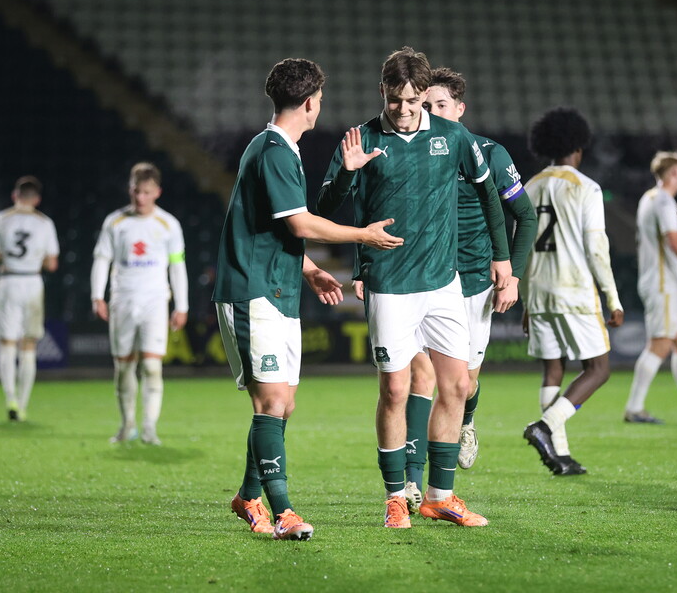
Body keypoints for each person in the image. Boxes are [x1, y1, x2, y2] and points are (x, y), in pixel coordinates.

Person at [317, 47, 512, 528]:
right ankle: (393, 496)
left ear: (425, 95)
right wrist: (348, 172)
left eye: (414, 100)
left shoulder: (452, 135)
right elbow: (325, 207)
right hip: (390, 285)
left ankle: (439, 496)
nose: (404, 109)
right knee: (396, 390)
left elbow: (489, 194)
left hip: (443, 284)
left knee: (459, 385)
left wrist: (503, 256)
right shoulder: (360, 138)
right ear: (381, 91)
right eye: (396, 99)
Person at [214, 57, 404, 541]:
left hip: (277, 287)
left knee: (283, 405)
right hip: (252, 290)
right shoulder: (275, 150)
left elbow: (273, 228)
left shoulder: (278, 148)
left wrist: (313, 269)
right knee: (272, 401)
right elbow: (300, 224)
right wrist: (361, 234)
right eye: (320, 98)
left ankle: (247, 497)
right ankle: (284, 512)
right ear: (309, 102)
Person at [392, 67, 536, 511]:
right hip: (420, 279)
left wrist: (511, 273)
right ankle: (413, 483)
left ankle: (467, 420)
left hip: (473, 283)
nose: (430, 112)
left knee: (464, 383)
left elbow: (524, 216)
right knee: (420, 376)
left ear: (459, 109)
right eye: (425, 105)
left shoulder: (488, 154)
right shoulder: (415, 150)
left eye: (439, 105)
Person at [521, 107, 625, 476]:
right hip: (574, 290)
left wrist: (526, 301)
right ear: (579, 146)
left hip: (538, 291)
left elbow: (523, 245)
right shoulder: (585, 187)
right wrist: (612, 298)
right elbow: (597, 248)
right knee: (598, 369)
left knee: (554, 369)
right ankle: (546, 428)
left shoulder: (529, 187)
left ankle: (559, 456)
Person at [91, 163, 188, 446]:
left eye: (146, 192)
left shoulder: (168, 224)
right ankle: (127, 425)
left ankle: (148, 428)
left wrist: (181, 305)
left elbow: (177, 267)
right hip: (122, 300)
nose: (140, 198)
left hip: (155, 301)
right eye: (136, 191)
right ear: (129, 189)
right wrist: (97, 295)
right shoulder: (115, 222)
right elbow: (101, 259)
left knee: (152, 366)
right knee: (123, 366)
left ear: (157, 192)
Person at [625, 151, 677, 425]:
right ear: (673, 174)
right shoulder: (663, 201)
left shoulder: (648, 198)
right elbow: (673, 239)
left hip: (662, 281)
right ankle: (634, 408)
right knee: (659, 344)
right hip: (662, 283)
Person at [0, 176, 59, 421]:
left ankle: (10, 399)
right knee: (29, 345)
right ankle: (24, 405)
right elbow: (53, 263)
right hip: (32, 283)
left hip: (8, 281)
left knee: (7, 343)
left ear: (15, 196)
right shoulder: (45, 223)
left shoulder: (1, 219)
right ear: (36, 199)